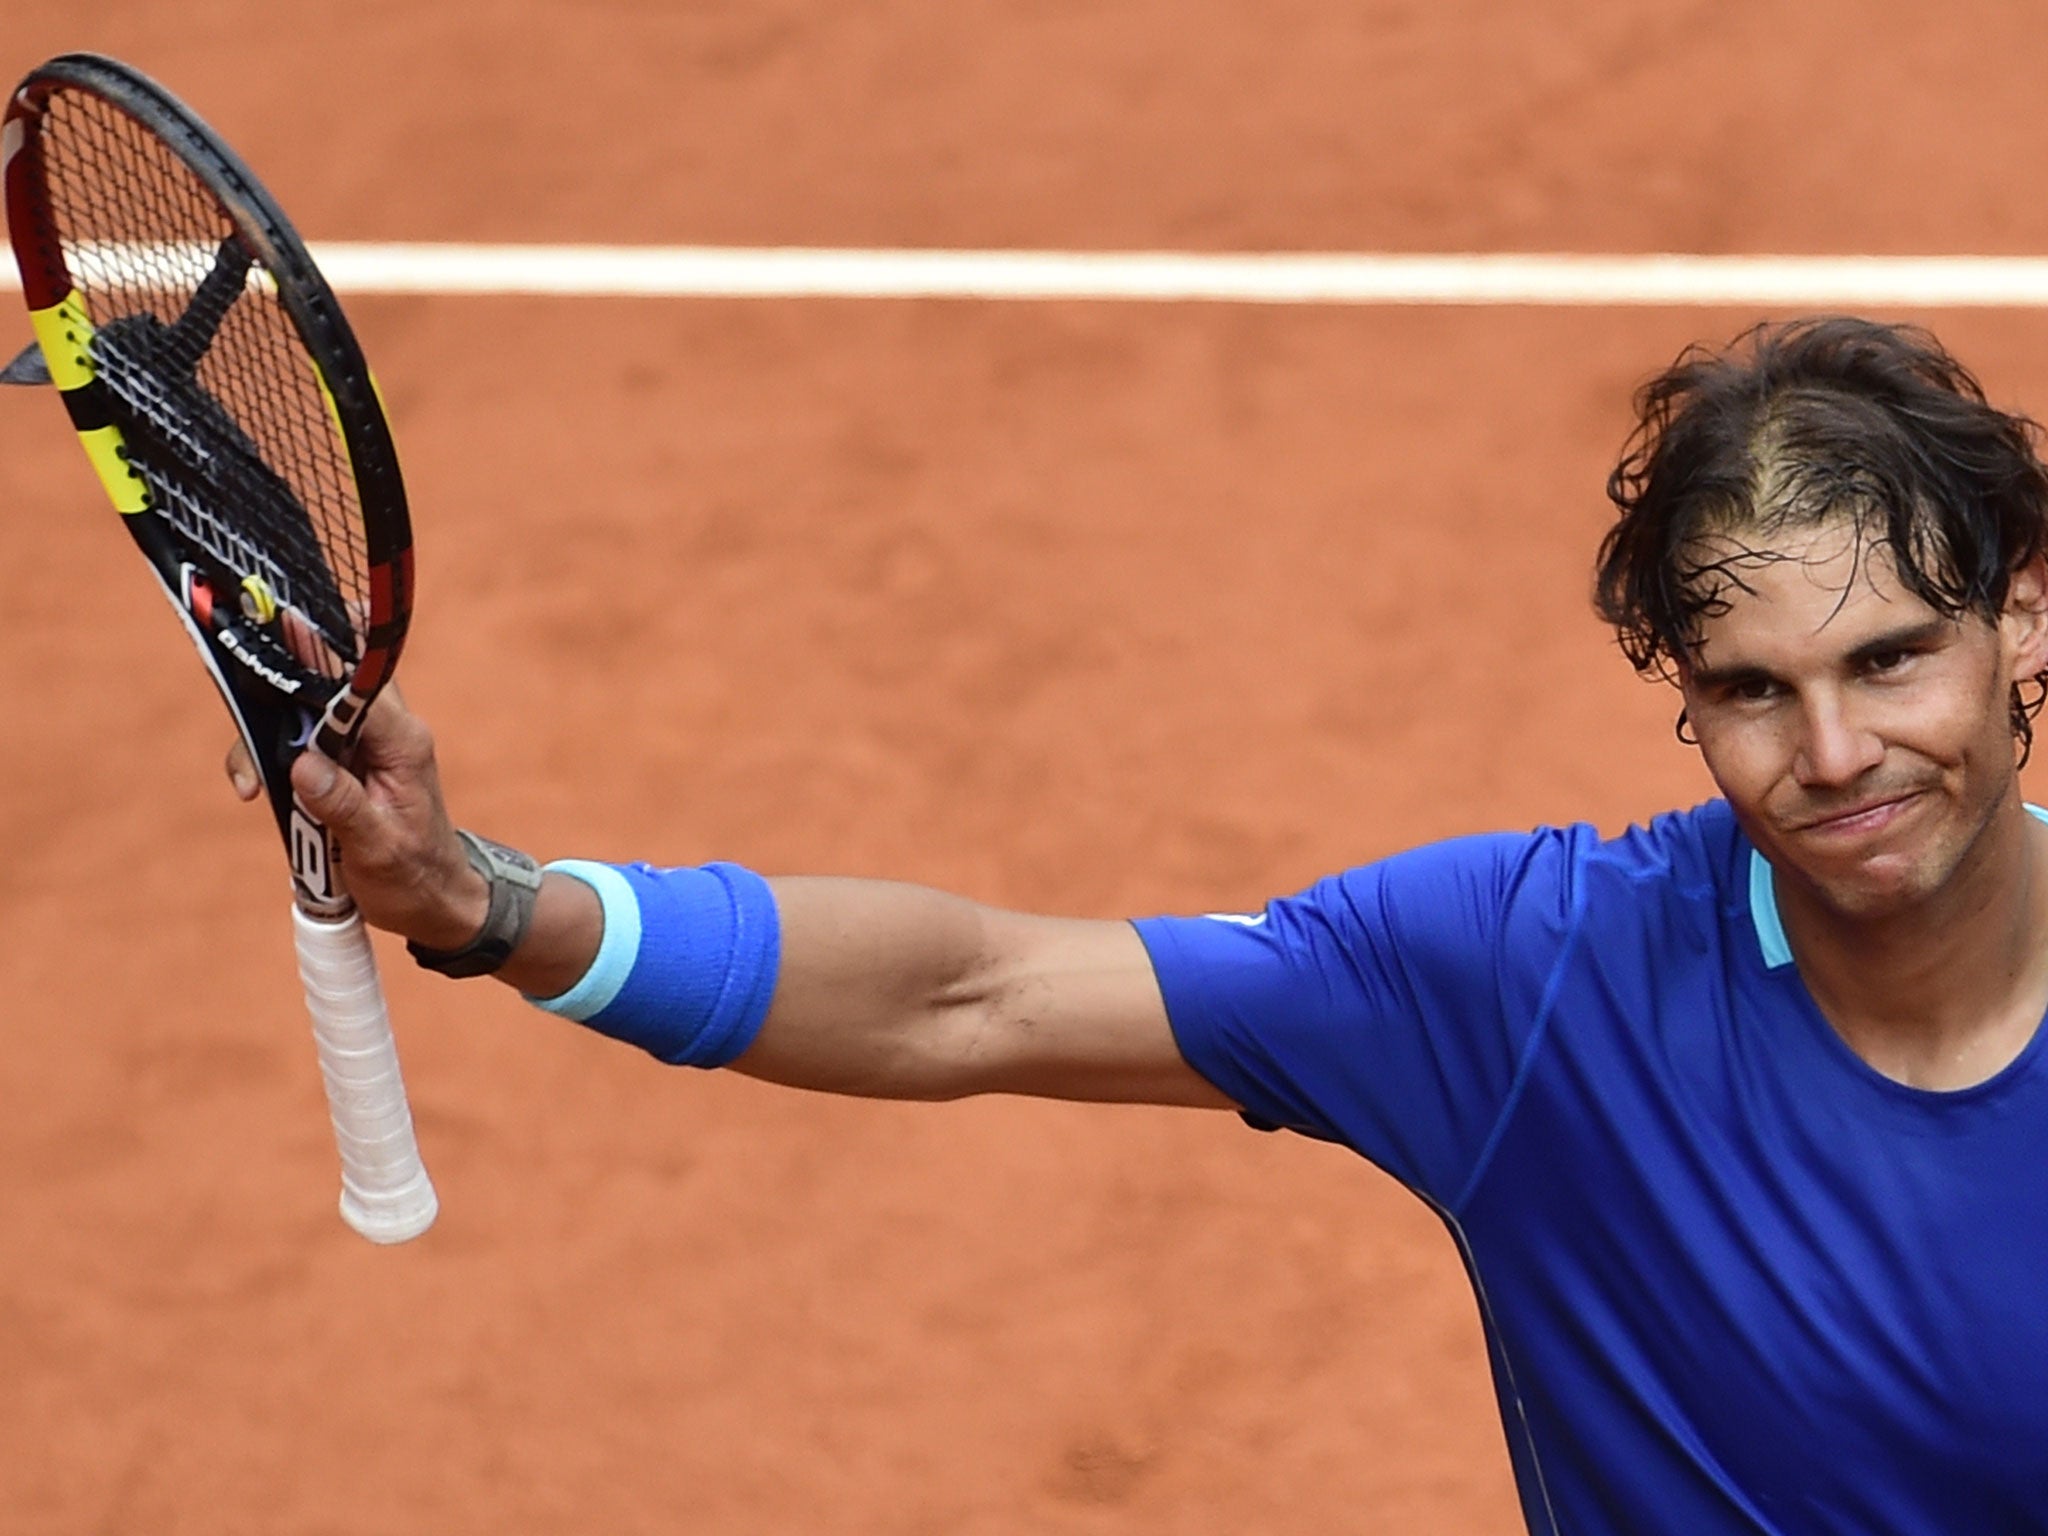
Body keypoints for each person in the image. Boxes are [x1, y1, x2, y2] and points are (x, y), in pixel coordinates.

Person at [229, 316, 2048, 1535]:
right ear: (1686, 698)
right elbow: (978, 993)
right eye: (1754, 690)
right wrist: (492, 907)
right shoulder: (1536, 981)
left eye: (1891, 658)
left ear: (2023, 619)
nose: (1833, 755)